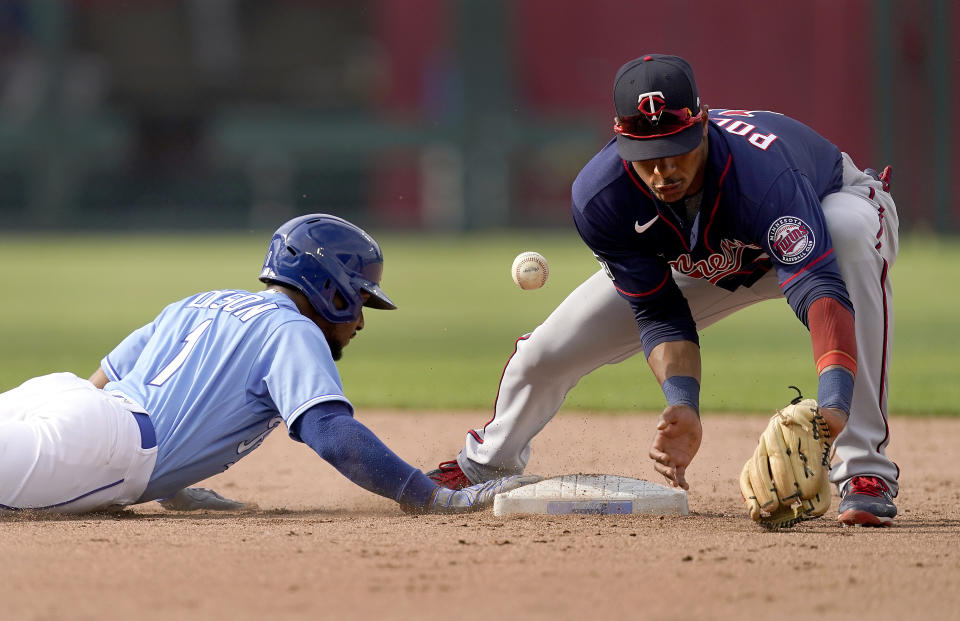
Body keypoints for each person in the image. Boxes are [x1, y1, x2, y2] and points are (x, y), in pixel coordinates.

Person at [427, 54, 900, 527]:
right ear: (619, 140)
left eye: (678, 148)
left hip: (820, 220)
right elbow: (658, 313)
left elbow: (818, 285)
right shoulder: (601, 197)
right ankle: (485, 465)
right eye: (647, 155)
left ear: (704, 124)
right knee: (547, 352)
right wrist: (682, 404)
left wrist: (832, 404)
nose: (664, 170)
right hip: (703, 257)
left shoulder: (760, 173)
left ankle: (864, 470)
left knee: (850, 232)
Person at [0, 214, 536, 515]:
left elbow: (106, 384)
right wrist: (429, 496)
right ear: (331, 291)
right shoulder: (291, 330)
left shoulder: (203, 301)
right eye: (360, 302)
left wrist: (173, 486)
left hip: (59, 399)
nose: (361, 323)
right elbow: (330, 432)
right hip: (104, 446)